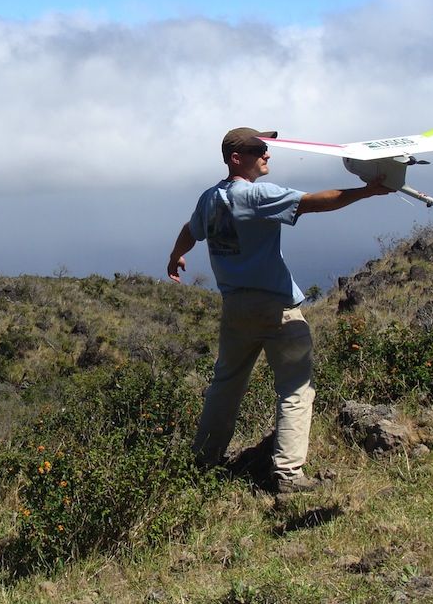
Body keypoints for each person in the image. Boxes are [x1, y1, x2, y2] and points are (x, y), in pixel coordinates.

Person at [167, 126, 392, 493]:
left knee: (225, 386)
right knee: (296, 388)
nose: (267, 153)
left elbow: (191, 229)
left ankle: (203, 462)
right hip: (275, 307)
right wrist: (368, 191)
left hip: (235, 307)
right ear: (237, 158)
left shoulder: (209, 198)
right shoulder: (257, 196)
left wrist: (176, 255)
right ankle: (288, 475)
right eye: (260, 148)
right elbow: (315, 202)